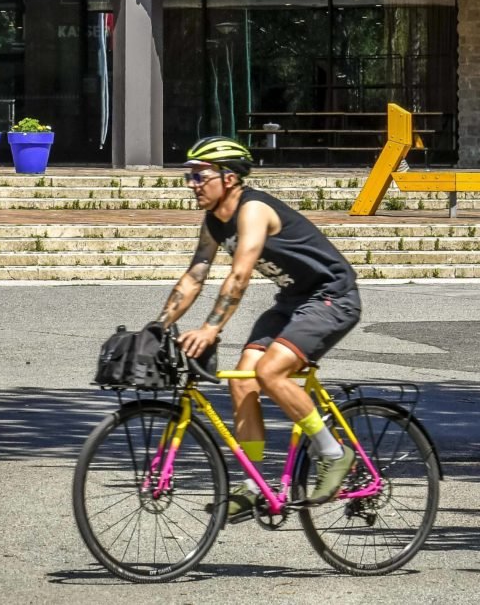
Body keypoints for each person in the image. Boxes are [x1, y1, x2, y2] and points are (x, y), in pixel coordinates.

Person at [154, 135, 363, 509]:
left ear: (229, 177)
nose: (192, 185)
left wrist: (210, 329)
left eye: (200, 176)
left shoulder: (252, 210)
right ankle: (252, 484)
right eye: (190, 176)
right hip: (293, 300)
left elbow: (239, 276)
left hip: (332, 298)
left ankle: (334, 453)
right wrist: (158, 326)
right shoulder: (214, 221)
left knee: (270, 372)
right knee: (243, 380)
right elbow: (194, 276)